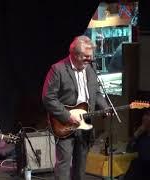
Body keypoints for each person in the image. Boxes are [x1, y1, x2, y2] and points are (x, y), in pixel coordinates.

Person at [42, 35, 109, 180]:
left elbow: (96, 93)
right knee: (64, 165)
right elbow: (48, 98)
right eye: (86, 56)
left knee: (81, 166)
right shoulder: (58, 69)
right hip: (64, 124)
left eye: (91, 56)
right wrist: (67, 116)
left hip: (85, 123)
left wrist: (104, 106)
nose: (90, 59)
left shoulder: (90, 69)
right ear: (75, 55)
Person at [124, 110, 150, 180]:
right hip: (140, 169)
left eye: (148, 116)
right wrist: (136, 135)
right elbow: (128, 150)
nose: (144, 118)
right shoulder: (141, 136)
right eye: (144, 115)